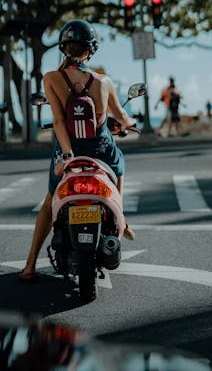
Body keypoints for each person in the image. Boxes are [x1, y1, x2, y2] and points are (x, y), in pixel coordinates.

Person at [19, 19, 137, 282]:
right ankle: (122, 219)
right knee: (119, 166)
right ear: (90, 50)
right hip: (101, 150)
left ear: (64, 48)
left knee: (50, 204)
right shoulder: (102, 81)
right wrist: (130, 122)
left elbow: (59, 121)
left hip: (68, 152)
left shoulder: (51, 79)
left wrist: (68, 155)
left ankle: (29, 266)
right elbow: (121, 115)